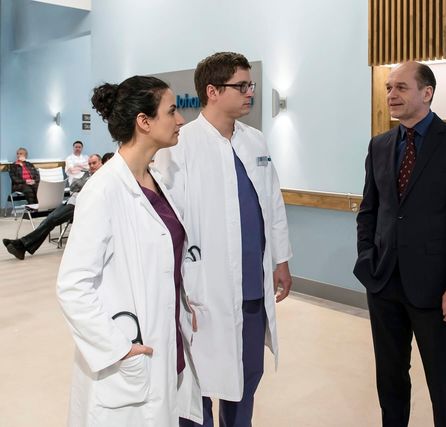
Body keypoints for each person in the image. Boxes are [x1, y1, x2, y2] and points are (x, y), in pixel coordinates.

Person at [154, 51, 293, 427]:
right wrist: (177, 285)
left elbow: (273, 203)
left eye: (251, 85)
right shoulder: (180, 145)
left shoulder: (255, 141)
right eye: (241, 86)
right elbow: (168, 222)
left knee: (246, 377)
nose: (250, 92)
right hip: (203, 288)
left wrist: (281, 259)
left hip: (252, 286)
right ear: (212, 91)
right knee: (196, 382)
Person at [56, 76, 202, 426]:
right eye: (172, 111)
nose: (180, 119)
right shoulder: (103, 191)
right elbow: (72, 287)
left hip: (167, 342)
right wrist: (118, 347)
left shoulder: (157, 181)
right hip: (130, 352)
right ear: (144, 121)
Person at [353, 61, 446, 427]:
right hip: (383, 282)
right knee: (390, 378)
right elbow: (369, 210)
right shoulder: (380, 145)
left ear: (427, 93)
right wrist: (367, 258)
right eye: (388, 88)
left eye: (401, 87)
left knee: (442, 383)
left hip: (436, 289)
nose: (391, 95)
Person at [3, 154, 102, 260]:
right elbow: (73, 186)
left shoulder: (101, 176)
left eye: (94, 163)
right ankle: (22, 246)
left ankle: (21, 244)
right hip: (71, 202)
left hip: (79, 205)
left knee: (51, 220)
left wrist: (83, 183)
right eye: (90, 164)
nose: (91, 166)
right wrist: (84, 181)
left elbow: (87, 189)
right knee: (49, 220)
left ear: (101, 163)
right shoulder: (87, 174)